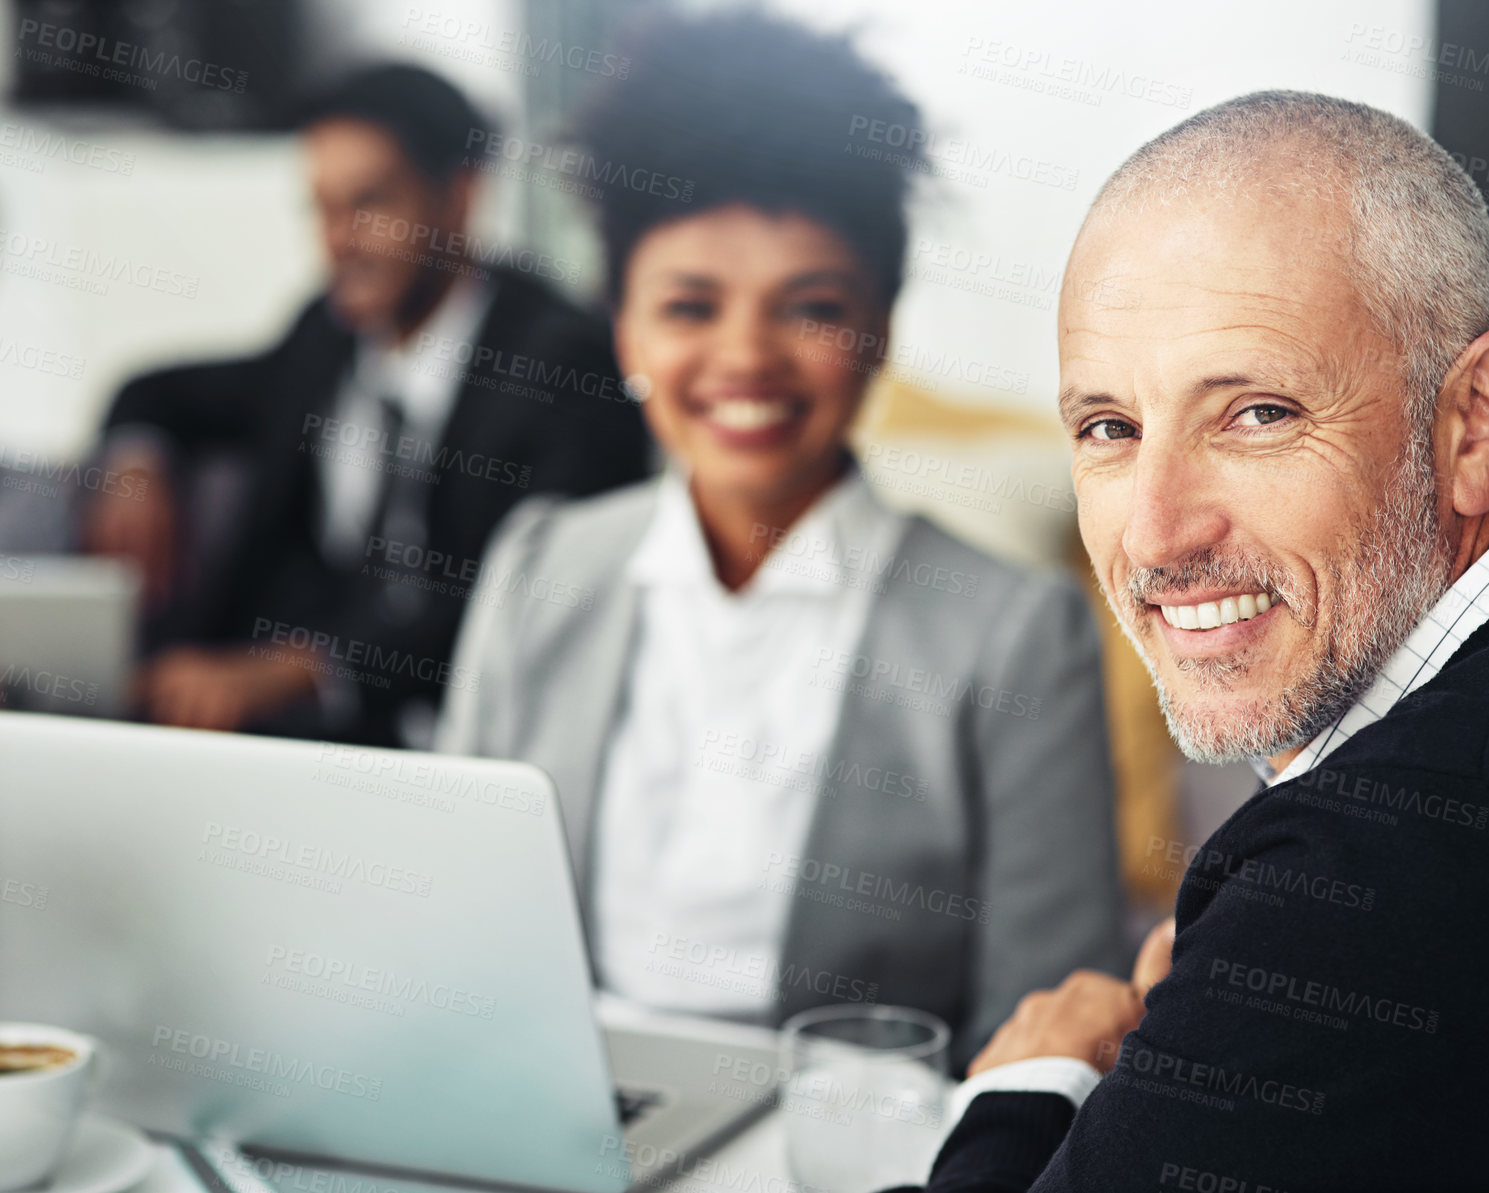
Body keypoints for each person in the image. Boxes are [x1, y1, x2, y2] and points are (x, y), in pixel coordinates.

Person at [906, 91, 1489, 1188]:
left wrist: (1025, 1086)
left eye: (1257, 412)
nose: (1159, 530)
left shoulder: (1361, 886)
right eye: (1111, 428)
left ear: (1479, 423)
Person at [435, 11, 1127, 1067]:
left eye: (808, 306)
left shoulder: (1015, 631)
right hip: (549, 1098)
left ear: (880, 331)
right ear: (626, 332)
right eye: (689, 306)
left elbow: (1040, 1031)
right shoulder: (540, 567)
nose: (745, 356)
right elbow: (464, 926)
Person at [82, 64, 649, 746]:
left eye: (369, 204)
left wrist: (317, 668)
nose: (337, 242)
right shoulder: (327, 334)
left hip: (459, 734)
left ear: (461, 195)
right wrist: (135, 460)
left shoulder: (560, 361)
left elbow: (533, 588)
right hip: (283, 729)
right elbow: (161, 391)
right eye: (322, 208)